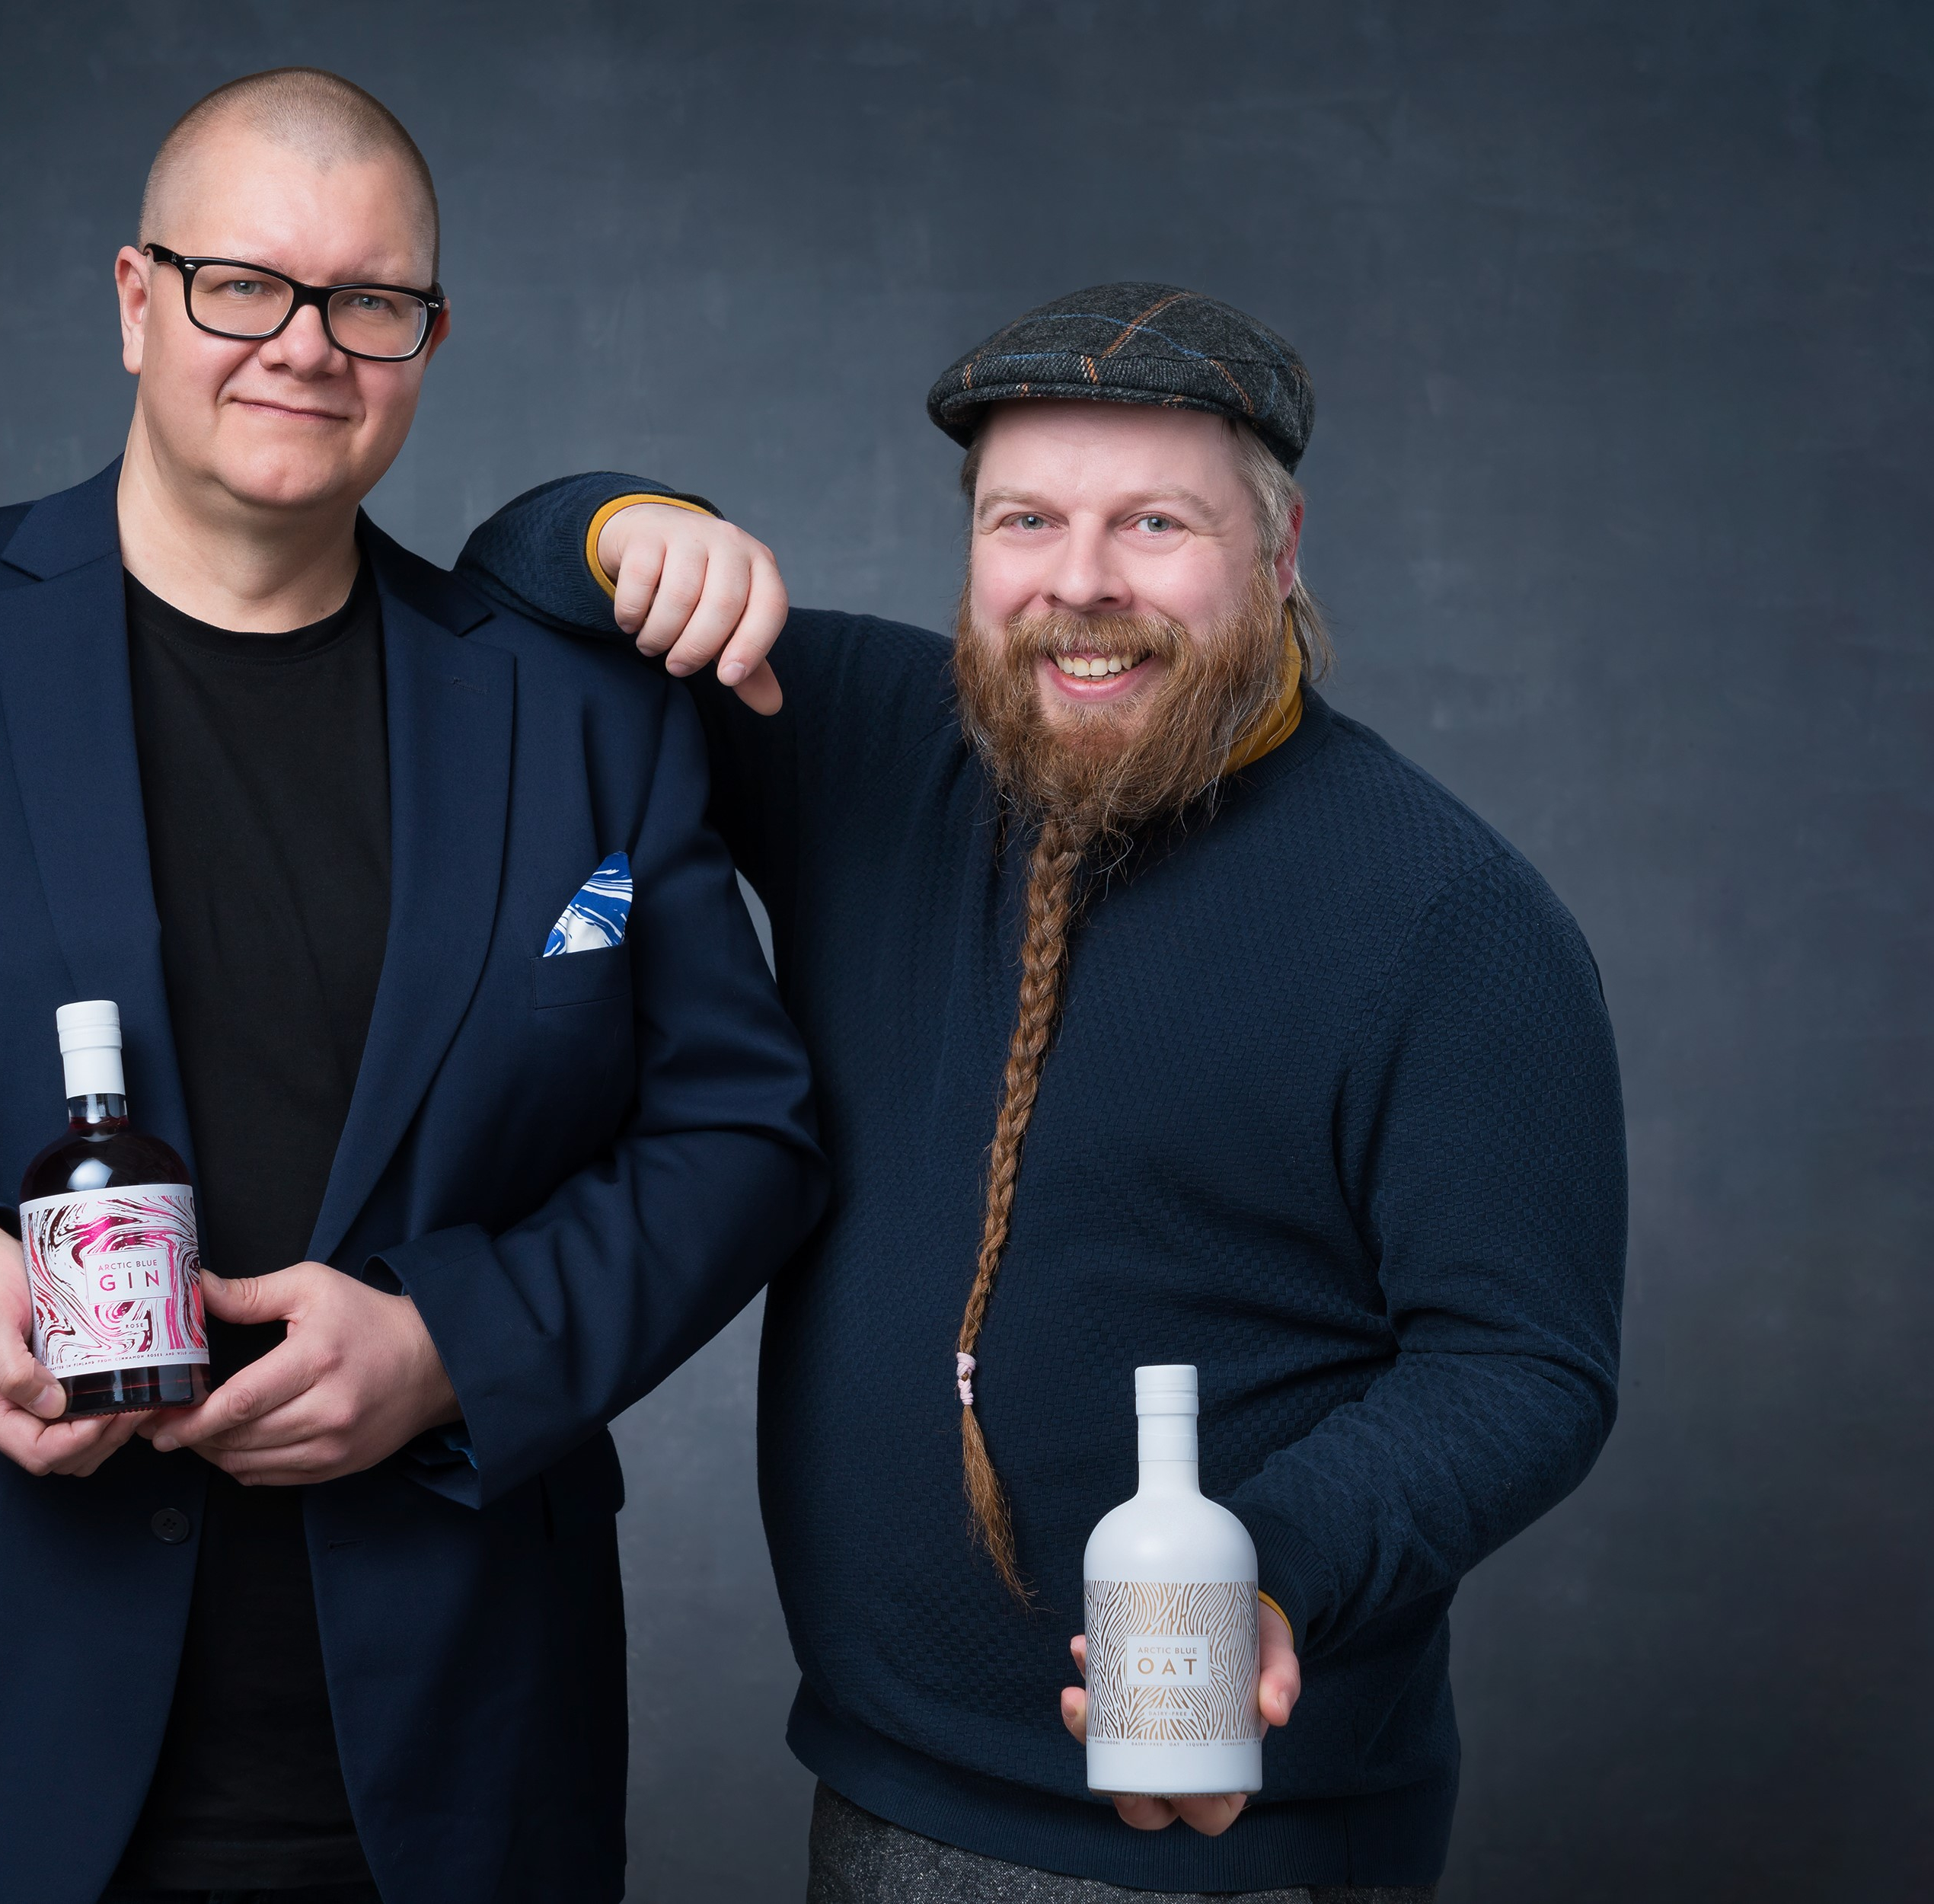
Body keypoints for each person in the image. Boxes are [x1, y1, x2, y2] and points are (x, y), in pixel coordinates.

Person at [0, 68, 822, 1904]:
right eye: (242, 284)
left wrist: (457, 1345)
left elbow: (741, 1132)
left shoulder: (585, 710)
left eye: (369, 300)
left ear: (429, 340)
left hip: (427, 1762)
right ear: (136, 299)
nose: (306, 345)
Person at [456, 283, 1627, 1900]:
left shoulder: (1448, 916)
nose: (1080, 583)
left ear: (1280, 552)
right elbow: (514, 587)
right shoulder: (869, 740)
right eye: (1025, 519)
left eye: (1154, 522)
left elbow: (1522, 1364)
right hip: (873, 1786)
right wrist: (640, 526)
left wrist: (1269, 1572)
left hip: (1219, 1832)